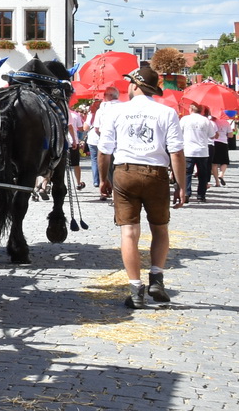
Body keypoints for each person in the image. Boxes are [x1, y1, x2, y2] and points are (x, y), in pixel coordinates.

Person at [97, 63, 185, 310]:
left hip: (125, 173)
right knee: (160, 228)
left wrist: (103, 179)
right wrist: (181, 185)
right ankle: (156, 277)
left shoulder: (116, 111)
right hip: (156, 173)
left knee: (129, 233)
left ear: (134, 85)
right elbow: (176, 152)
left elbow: (104, 150)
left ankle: (136, 289)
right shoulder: (166, 112)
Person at [85, 86, 124, 196]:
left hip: (106, 141)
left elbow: (97, 128)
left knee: (106, 165)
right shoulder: (125, 106)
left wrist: (103, 136)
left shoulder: (102, 109)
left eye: (105, 94)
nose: (103, 96)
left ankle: (105, 185)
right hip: (122, 143)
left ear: (110, 96)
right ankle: (118, 190)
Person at [179, 103, 214, 204]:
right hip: (202, 151)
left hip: (188, 150)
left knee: (187, 173)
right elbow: (211, 136)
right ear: (202, 111)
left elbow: (179, 133)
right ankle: (201, 195)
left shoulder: (185, 119)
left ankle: (186, 193)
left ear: (190, 109)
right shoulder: (206, 120)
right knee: (203, 175)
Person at [210, 109, 232, 185]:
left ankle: (217, 181)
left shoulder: (212, 122)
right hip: (223, 143)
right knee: (224, 161)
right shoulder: (226, 123)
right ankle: (221, 174)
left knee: (214, 163)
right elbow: (230, 135)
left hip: (214, 143)